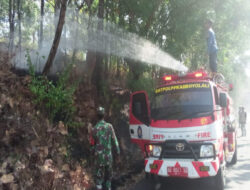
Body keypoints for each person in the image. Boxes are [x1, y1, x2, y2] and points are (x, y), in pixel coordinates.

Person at [89, 106, 120, 190]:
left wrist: (92, 156)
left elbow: (92, 146)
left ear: (96, 116)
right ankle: (108, 188)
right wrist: (118, 153)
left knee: (99, 178)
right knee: (108, 176)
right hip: (108, 156)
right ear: (104, 115)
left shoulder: (94, 130)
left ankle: (99, 187)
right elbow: (115, 141)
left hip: (99, 158)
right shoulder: (109, 127)